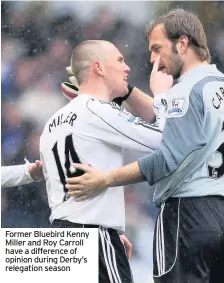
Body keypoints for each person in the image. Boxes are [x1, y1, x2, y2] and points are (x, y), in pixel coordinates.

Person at [66, 9, 224, 283]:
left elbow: (167, 157)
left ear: (183, 43)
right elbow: (176, 122)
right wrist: (128, 93)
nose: (154, 59)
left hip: (190, 216)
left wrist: (106, 179)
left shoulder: (182, 93)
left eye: (157, 49)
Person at [40, 40, 169, 283]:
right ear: (98, 67)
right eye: (120, 60)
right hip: (94, 238)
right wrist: (161, 95)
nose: (127, 68)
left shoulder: (52, 123)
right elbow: (164, 140)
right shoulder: (99, 110)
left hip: (60, 240)